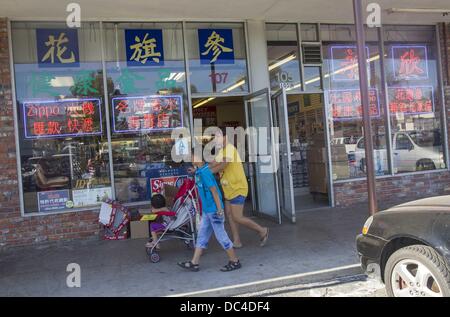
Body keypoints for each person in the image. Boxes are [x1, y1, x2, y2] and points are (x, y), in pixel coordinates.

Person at [178, 149, 241, 272]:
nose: (190, 160)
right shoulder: (200, 171)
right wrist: (195, 171)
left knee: (221, 236)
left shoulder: (205, 173)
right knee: (202, 236)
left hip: (214, 210)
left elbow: (214, 192)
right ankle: (194, 262)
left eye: (192, 157)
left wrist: (219, 210)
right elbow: (201, 174)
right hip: (207, 211)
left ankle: (235, 261)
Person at [209, 129, 269, 248]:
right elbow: (213, 163)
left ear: (226, 136)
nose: (216, 139)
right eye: (214, 137)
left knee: (237, 217)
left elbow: (223, 164)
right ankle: (236, 241)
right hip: (228, 189)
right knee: (230, 215)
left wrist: (206, 173)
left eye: (218, 136)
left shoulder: (230, 148)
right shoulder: (221, 151)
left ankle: (262, 230)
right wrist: (200, 170)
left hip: (237, 187)